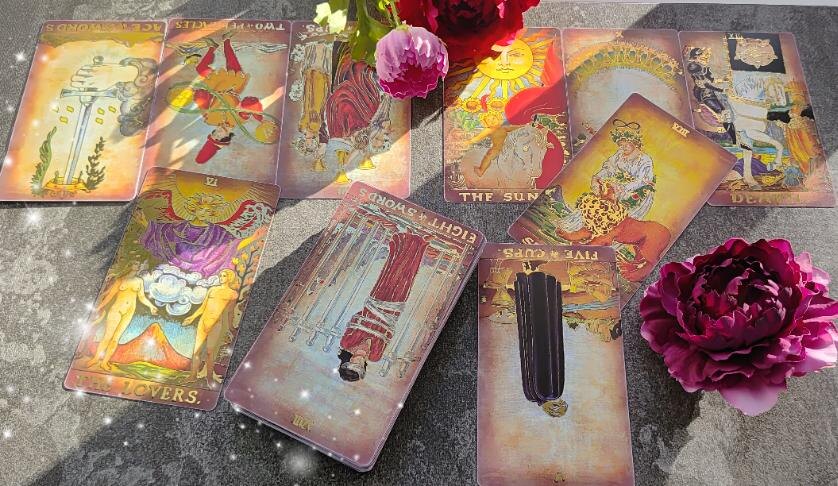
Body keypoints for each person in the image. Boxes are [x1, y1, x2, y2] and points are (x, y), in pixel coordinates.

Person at [186, 34, 276, 164]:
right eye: (219, 136)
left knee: (201, 68)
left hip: (217, 84)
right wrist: (256, 115)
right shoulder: (239, 120)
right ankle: (226, 40)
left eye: (214, 134)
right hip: (234, 84)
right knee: (231, 63)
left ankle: (212, 47)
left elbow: (203, 102)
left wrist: (197, 93)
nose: (218, 133)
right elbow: (251, 102)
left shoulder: (210, 119)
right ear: (226, 137)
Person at [85, 261, 158, 371]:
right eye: (135, 263)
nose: (138, 266)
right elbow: (110, 296)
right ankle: (95, 359)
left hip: (129, 312)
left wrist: (151, 306)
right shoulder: (120, 280)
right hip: (116, 310)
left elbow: (142, 297)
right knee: (107, 336)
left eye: (138, 264)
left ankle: (104, 362)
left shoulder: (139, 281)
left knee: (116, 339)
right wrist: (98, 307)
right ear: (130, 265)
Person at [182, 269, 239, 387]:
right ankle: (192, 376)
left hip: (216, 324)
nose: (221, 277)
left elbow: (230, 312)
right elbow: (203, 307)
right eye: (220, 275)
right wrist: (192, 317)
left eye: (224, 276)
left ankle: (209, 378)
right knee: (196, 351)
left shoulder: (232, 294)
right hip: (203, 322)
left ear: (229, 278)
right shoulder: (212, 289)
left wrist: (231, 327)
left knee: (209, 352)